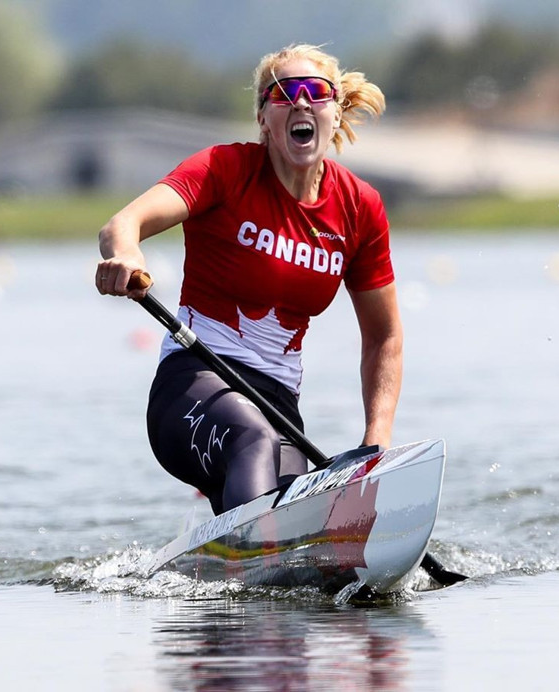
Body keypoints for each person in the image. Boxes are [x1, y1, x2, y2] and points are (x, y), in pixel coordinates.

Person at [96, 43, 402, 517]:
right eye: (283, 93)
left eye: (315, 91)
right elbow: (122, 225)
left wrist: (374, 444)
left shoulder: (359, 208)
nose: (301, 102)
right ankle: (259, 545)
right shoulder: (224, 169)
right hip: (193, 381)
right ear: (263, 118)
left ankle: (243, 551)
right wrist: (126, 256)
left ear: (336, 110)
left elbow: (384, 337)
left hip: (278, 405)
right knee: (252, 439)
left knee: (296, 502)